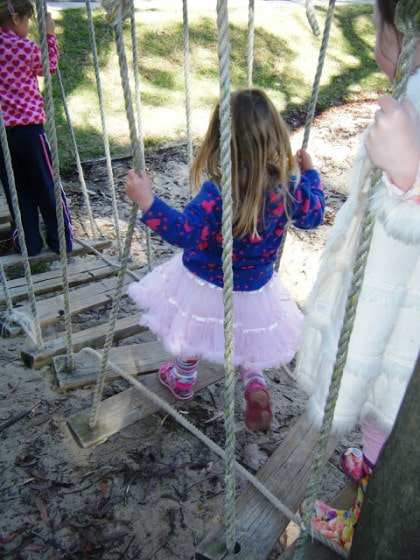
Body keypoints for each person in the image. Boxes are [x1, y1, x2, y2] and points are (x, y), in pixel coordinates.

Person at [295, 0, 420, 551]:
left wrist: (408, 173)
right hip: (385, 294)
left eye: (378, 27)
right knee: (375, 388)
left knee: (390, 392)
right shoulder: (411, 92)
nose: (374, 43)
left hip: (404, 309)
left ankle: (369, 511)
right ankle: (372, 462)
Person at [126, 88, 325, 432]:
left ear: (220, 142)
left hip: (204, 282)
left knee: (192, 328)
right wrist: (310, 176)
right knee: (248, 335)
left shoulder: (217, 193)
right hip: (254, 287)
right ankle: (254, 382)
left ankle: (183, 378)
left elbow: (183, 232)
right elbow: (313, 216)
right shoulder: (287, 189)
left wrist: (147, 202)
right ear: (276, 136)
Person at [0, 0, 73, 256]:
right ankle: (60, 239)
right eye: (29, 21)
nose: (29, 26)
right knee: (46, 184)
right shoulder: (24, 47)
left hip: (3, 137)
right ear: (16, 18)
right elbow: (48, 66)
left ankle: (29, 243)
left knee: (17, 190)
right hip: (30, 132)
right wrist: (50, 35)